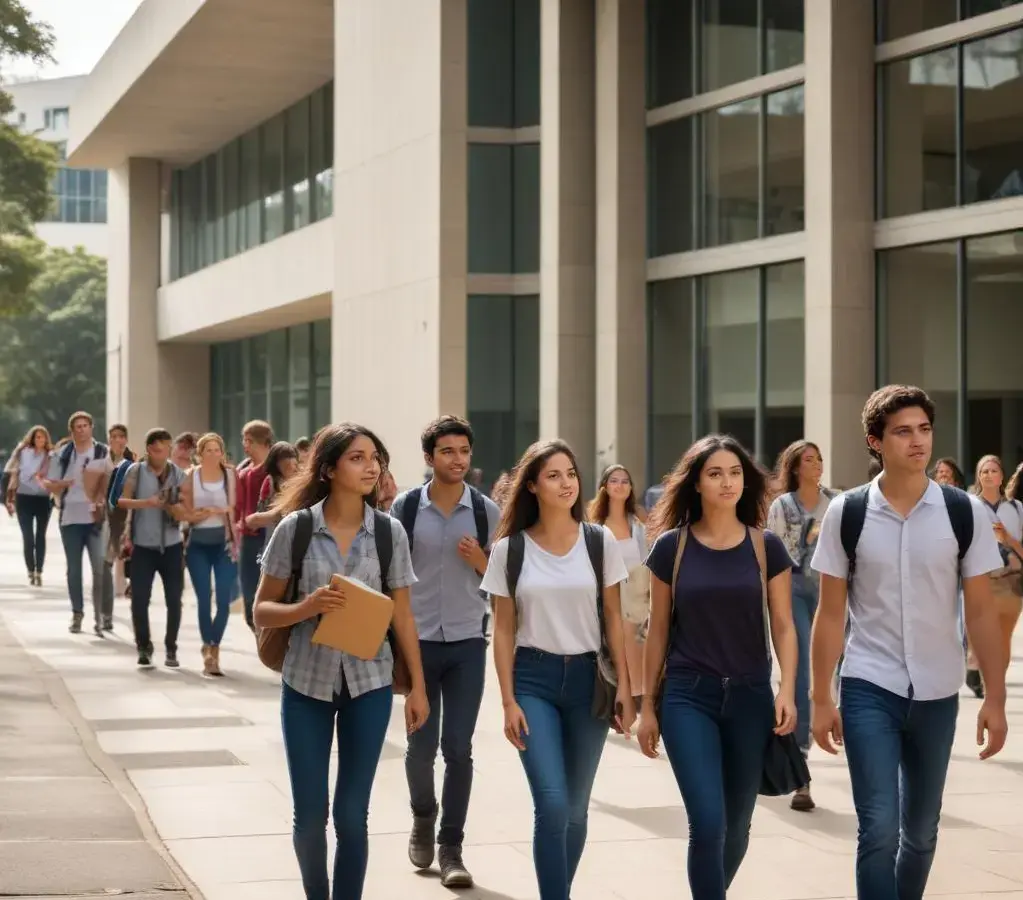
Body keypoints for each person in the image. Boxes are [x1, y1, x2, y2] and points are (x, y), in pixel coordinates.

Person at [810, 384, 1008, 900]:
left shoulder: (962, 513)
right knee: (877, 828)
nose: (917, 441)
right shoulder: (847, 513)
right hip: (868, 684)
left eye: (924, 429)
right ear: (876, 441)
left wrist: (996, 696)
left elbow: (982, 612)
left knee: (919, 834)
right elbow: (830, 616)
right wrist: (819, 697)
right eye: (903, 432)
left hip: (938, 690)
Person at [254, 423, 429, 900]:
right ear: (329, 469)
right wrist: (306, 607)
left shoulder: (389, 533)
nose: (371, 466)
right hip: (306, 684)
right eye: (357, 457)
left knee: (352, 815)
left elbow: (404, 614)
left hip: (369, 684)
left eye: (376, 457)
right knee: (310, 815)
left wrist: (418, 687)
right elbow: (261, 610)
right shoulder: (297, 528)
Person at [638, 434, 797, 899]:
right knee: (707, 823)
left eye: (734, 472)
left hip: (750, 697)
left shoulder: (767, 548)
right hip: (688, 695)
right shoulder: (672, 548)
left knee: (738, 826)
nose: (727, 482)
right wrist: (648, 706)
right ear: (697, 484)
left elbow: (784, 627)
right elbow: (658, 632)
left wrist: (786, 689)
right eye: (715, 473)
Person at [480, 439, 632, 900]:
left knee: (576, 810)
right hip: (533, 680)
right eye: (553, 475)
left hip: (590, 681)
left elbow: (614, 618)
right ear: (532, 485)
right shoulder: (511, 550)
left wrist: (627, 686)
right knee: (550, 804)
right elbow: (503, 630)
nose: (566, 483)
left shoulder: (598, 541)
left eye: (571, 473)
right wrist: (507, 700)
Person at [391, 415, 500, 888]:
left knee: (459, 747)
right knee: (420, 746)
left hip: (467, 641)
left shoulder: (485, 511)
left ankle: (451, 847)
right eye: (448, 452)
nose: (458, 460)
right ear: (429, 458)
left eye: (464, 452)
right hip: (416, 642)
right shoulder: (406, 508)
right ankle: (422, 816)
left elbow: (504, 585)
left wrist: (483, 563)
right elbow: (390, 574)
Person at [766, 439, 838, 812]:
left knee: (832, 672)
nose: (816, 464)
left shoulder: (835, 502)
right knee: (803, 676)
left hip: (829, 591)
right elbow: (771, 552)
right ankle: (802, 771)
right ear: (795, 466)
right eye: (808, 459)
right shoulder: (782, 506)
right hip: (792, 589)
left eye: (819, 459)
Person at [117, 428, 187, 668]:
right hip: (143, 546)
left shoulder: (178, 474)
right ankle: (144, 647)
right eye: (157, 450)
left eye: (166, 449)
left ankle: (171, 648)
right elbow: (121, 501)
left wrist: (173, 508)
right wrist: (147, 503)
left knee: (174, 600)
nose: (162, 454)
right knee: (139, 599)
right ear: (149, 450)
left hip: (172, 545)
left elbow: (187, 507)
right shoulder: (135, 471)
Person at [43, 411, 112, 635]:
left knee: (99, 569)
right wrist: (65, 483)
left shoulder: (102, 452)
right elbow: (51, 485)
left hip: (95, 519)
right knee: (74, 570)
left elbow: (112, 482)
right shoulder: (62, 454)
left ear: (92, 427)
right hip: (70, 518)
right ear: (72, 431)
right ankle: (77, 613)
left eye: (85, 425)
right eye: (77, 427)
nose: (82, 430)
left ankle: (100, 617)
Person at [587, 464, 647, 710]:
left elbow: (649, 557)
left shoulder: (639, 520)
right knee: (615, 651)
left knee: (639, 652)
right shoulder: (595, 524)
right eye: (614, 480)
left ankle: (639, 701)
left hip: (639, 596)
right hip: (609, 596)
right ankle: (620, 702)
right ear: (604, 487)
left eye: (625, 480)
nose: (620, 485)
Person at [181, 433, 238, 677]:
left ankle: (214, 646)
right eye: (209, 450)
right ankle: (208, 647)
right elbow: (184, 508)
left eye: (217, 450)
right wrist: (198, 514)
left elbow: (233, 506)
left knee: (223, 601)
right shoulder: (191, 475)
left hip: (224, 544)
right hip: (198, 544)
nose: (214, 454)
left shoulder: (229, 475)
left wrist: (218, 509)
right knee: (204, 598)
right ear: (200, 453)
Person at [970, 454, 1023, 679]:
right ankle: (985, 679)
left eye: (994, 471)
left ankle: (995, 684)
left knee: (1003, 638)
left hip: (1011, 582)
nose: (989, 475)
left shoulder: (1017, 508)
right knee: (983, 637)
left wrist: (1008, 539)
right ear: (978, 477)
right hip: (981, 580)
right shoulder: (969, 505)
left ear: (1002, 476)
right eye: (984, 471)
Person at [236, 420, 274, 630]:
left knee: (267, 594)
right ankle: (261, 636)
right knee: (249, 597)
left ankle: (269, 640)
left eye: (246, 440)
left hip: (268, 537)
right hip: (247, 539)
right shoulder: (243, 468)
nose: (244, 444)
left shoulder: (274, 469)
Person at [5, 426, 53, 586]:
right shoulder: (23, 452)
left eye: (42, 437)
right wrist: (9, 498)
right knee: (28, 536)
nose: (40, 440)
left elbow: (55, 476)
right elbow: (10, 469)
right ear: (32, 438)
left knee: (40, 535)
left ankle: (39, 570)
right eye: (37, 437)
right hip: (23, 498)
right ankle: (30, 570)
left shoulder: (50, 456)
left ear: (46, 439)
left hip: (43, 499)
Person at [246, 441, 299, 538]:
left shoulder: (301, 481)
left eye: (294, 465)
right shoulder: (270, 482)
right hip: (275, 532)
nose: (292, 468)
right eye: (287, 466)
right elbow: (262, 510)